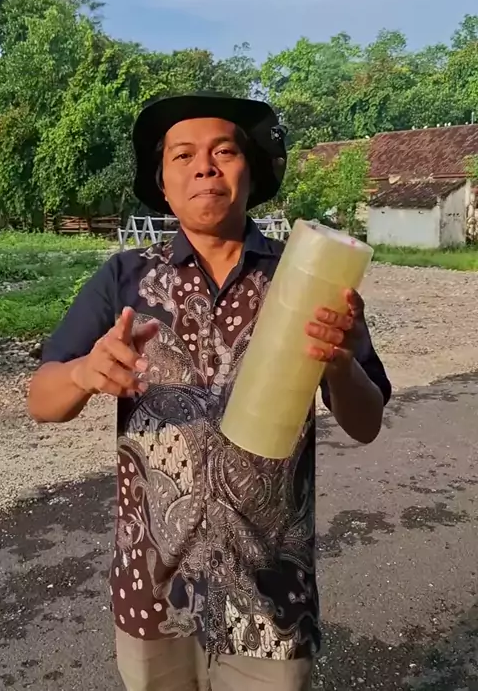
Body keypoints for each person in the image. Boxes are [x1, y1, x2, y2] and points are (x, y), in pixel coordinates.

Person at [28, 91, 391, 691]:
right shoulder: (123, 278)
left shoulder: (309, 277)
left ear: (253, 171)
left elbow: (366, 421)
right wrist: (83, 373)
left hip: (272, 596)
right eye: (183, 155)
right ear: (163, 183)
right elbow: (40, 399)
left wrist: (341, 364)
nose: (204, 167)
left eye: (224, 151)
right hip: (152, 592)